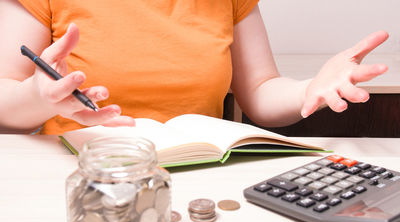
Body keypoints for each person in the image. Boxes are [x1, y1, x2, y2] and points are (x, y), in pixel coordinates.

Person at [0, 0, 389, 135]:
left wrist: (310, 90)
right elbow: (5, 99)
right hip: (79, 174)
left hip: (197, 175)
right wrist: (39, 96)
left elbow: (261, 91)